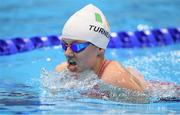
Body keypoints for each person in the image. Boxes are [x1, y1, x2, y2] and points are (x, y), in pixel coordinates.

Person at [55, 4, 147, 93]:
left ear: (99, 48)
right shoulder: (62, 72)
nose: (67, 53)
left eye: (76, 47)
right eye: (64, 45)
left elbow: (144, 105)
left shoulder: (116, 79)